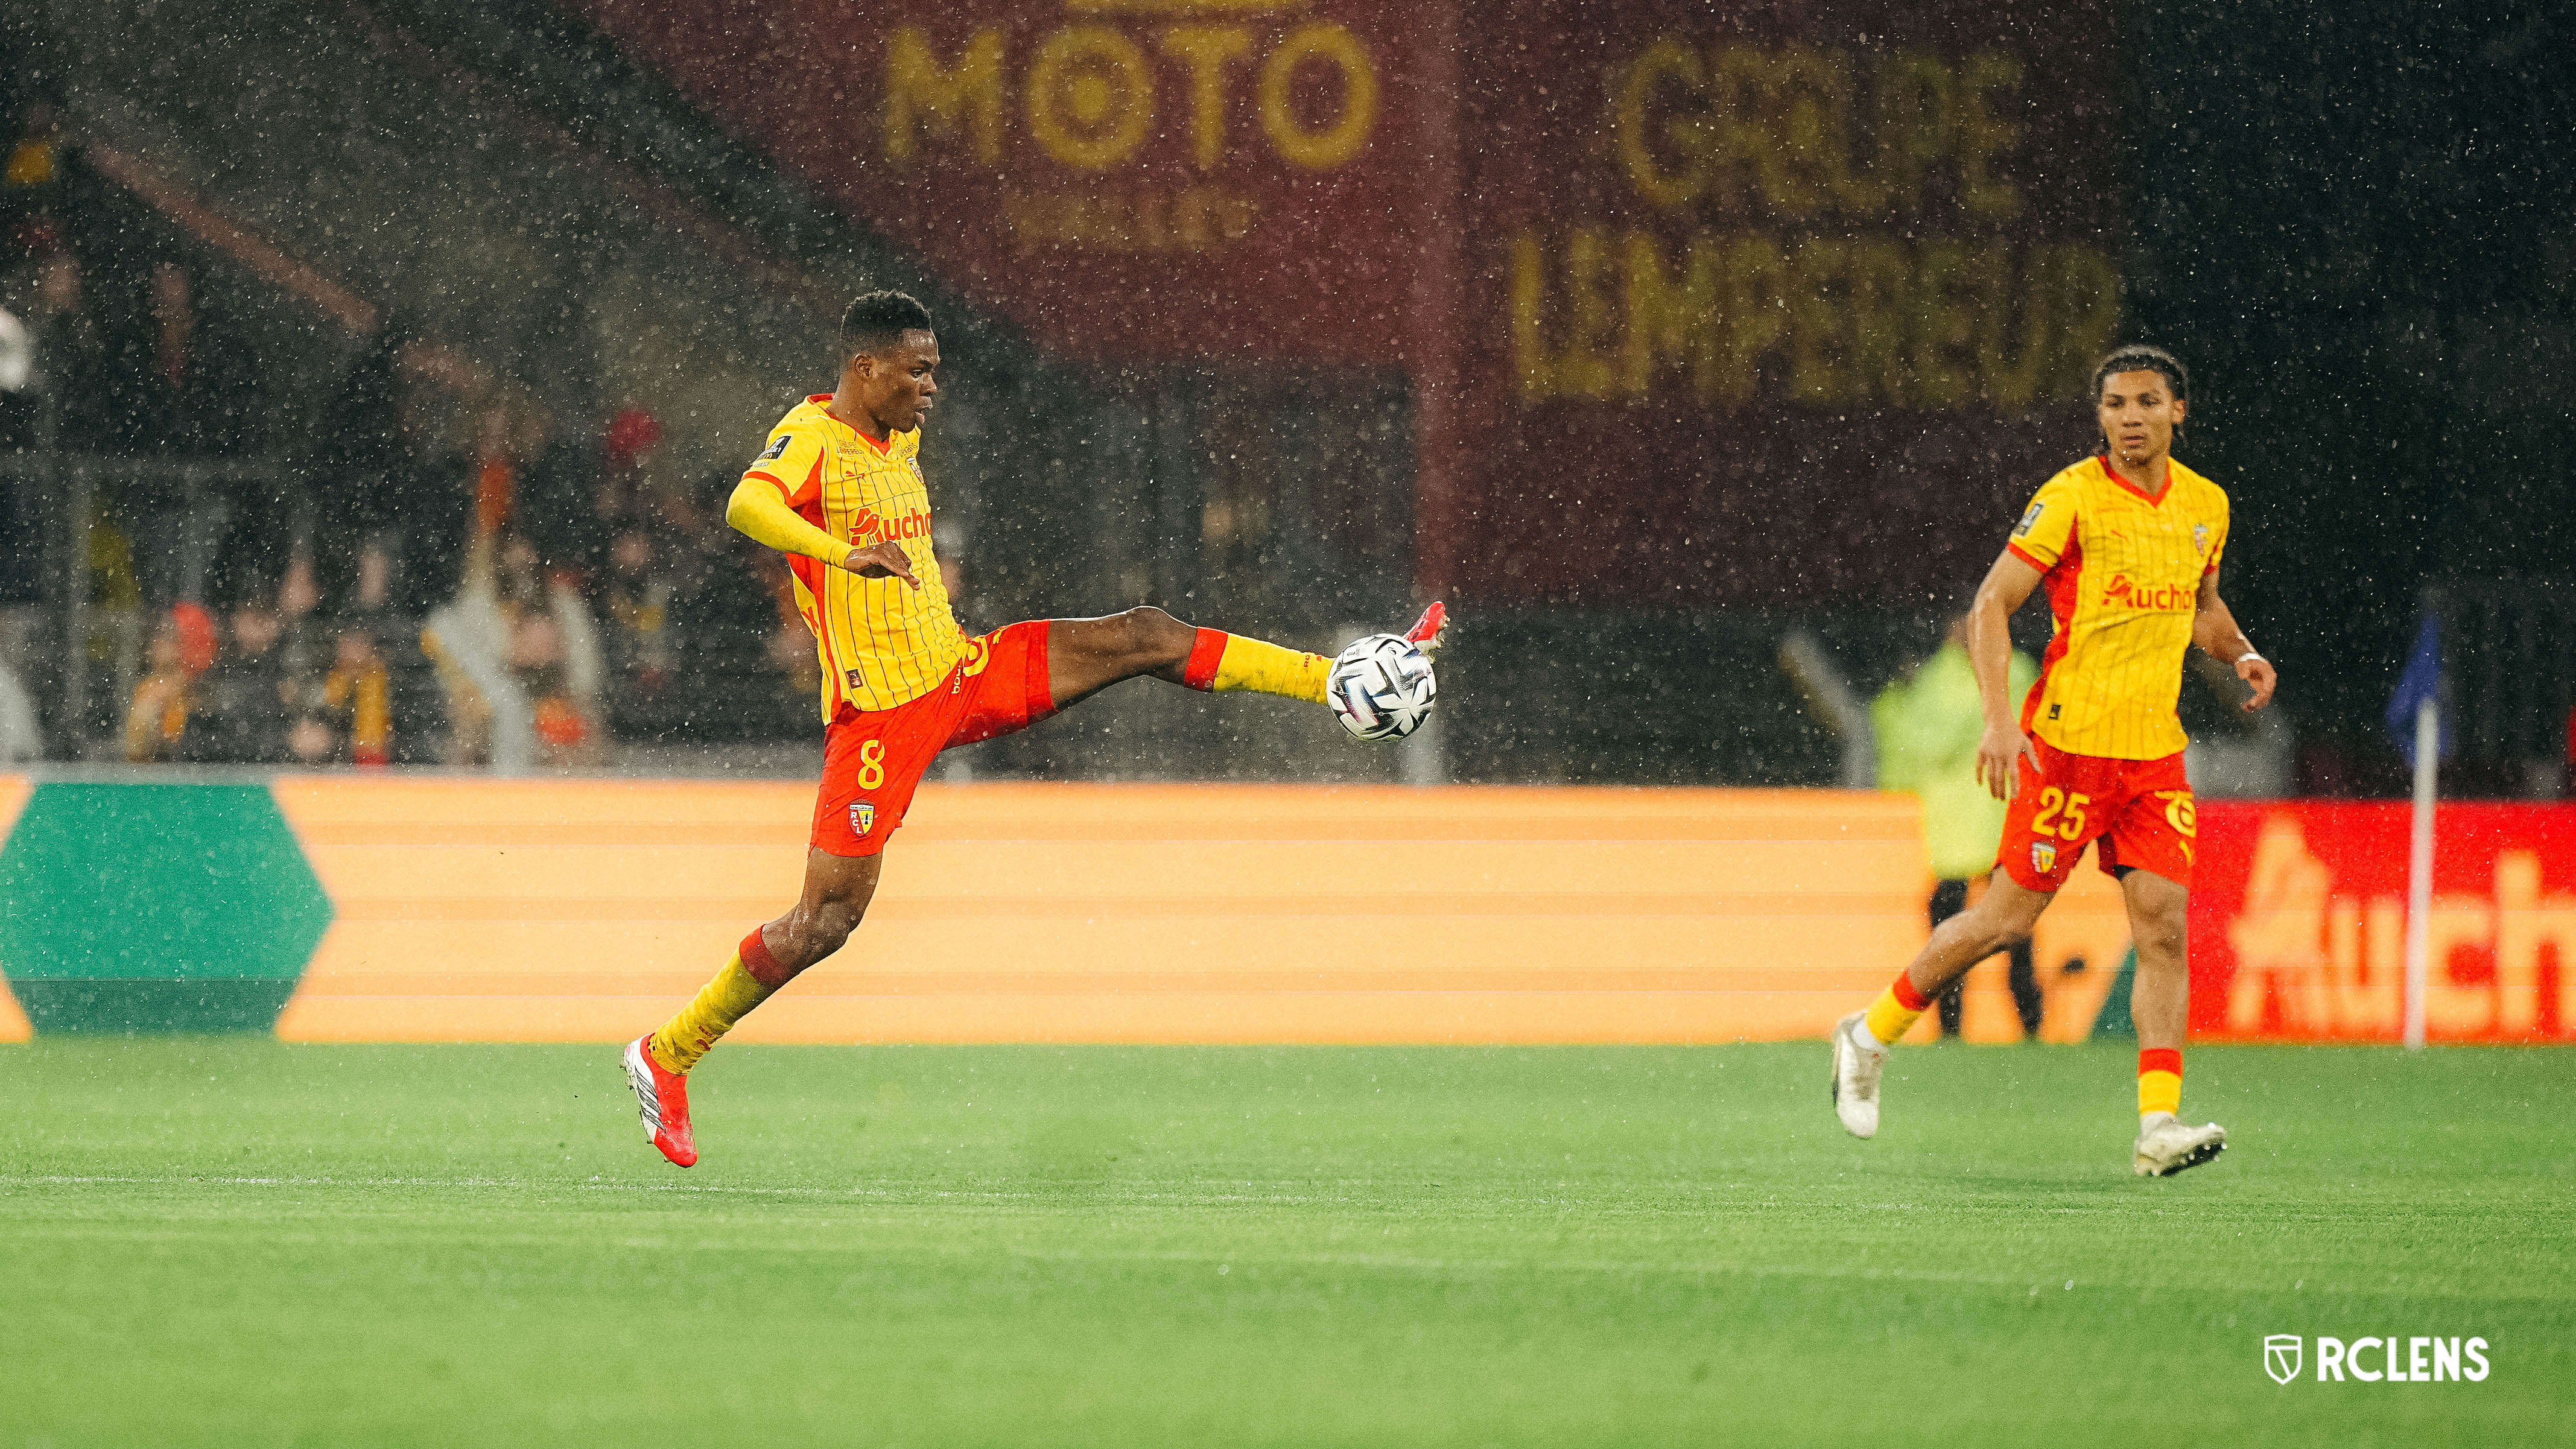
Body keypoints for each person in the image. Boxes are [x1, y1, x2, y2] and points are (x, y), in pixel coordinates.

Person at [621, 290, 1446, 1167]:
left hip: (962, 672)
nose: (931, 388)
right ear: (864, 369)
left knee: (1146, 634)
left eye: (935, 370)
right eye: (917, 371)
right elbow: (748, 508)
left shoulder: (896, 434)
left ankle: (1343, 681)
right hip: (879, 720)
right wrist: (836, 553)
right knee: (826, 921)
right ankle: (666, 1052)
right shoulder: (813, 436)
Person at [1826, 344, 2277, 1178]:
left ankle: (2156, 1125)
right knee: (2003, 922)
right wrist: (2000, 720)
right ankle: (1869, 1032)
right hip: (2068, 749)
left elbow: (2199, 608)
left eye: (2145, 401)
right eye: (2113, 403)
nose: (2129, 417)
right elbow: (1991, 602)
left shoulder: (2205, 506)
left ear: (2180, 411)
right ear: (2098, 415)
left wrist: (2240, 650)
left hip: (2151, 757)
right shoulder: (2070, 497)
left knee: (2165, 930)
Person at [1872, 616, 2042, 1039]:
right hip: (1963, 825)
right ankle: (1954, 1029)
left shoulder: (1999, 673)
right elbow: (1920, 745)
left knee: (2011, 931)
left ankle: (2029, 1029)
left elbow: (1915, 745)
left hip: (1999, 817)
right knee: (1967, 932)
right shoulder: (1978, 676)